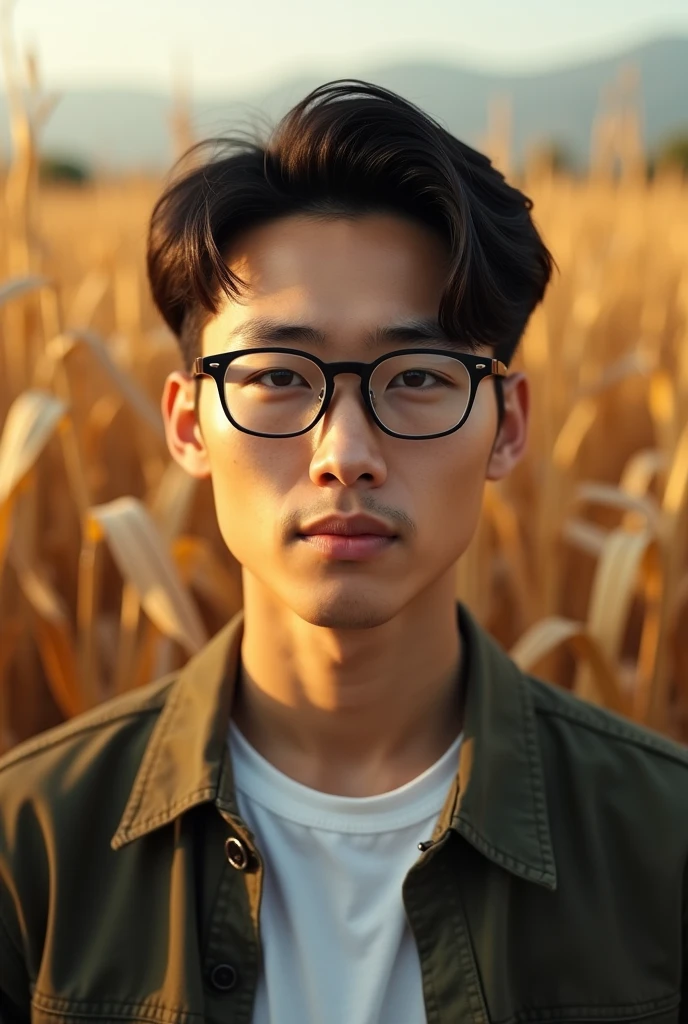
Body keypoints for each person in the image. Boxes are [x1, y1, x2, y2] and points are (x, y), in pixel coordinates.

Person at [0, 80, 686, 1024]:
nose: (346, 456)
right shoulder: (28, 850)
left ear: (508, 427)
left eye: (417, 377)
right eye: (277, 376)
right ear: (188, 425)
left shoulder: (664, 846)